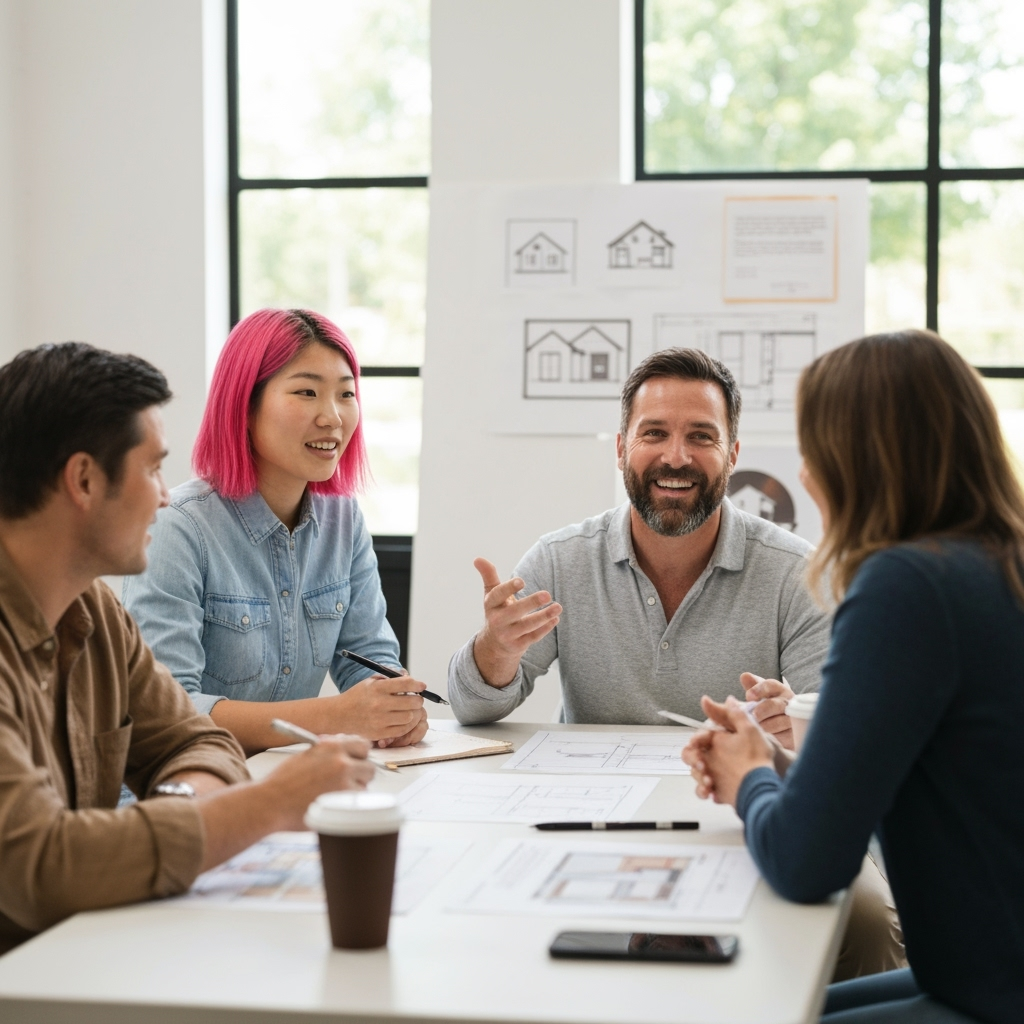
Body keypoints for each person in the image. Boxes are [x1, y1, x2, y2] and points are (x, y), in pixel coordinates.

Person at [448, 346, 904, 981]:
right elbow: (471, 708)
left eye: (701, 437)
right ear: (621, 448)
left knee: (870, 920)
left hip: (751, 813)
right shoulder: (561, 559)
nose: (676, 456)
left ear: (733, 454)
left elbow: (839, 740)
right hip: (597, 815)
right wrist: (495, 650)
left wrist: (792, 723)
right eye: (654, 433)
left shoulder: (795, 572)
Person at [684, 330, 1024, 1024]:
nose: (806, 474)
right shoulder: (996, 564)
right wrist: (774, 763)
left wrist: (750, 781)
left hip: (990, 989)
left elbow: (808, 865)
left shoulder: (907, 587)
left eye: (814, 448)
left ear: (857, 459)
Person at [0, 342, 376, 955]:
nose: (164, 496)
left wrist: (181, 801)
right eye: (152, 470)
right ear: (84, 480)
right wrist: (268, 803)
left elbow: (194, 740)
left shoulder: (96, 614)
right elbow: (40, 865)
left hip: (80, 948)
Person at [124, 309, 428, 756]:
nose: (332, 417)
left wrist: (394, 706)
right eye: (307, 392)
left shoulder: (344, 519)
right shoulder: (179, 526)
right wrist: (335, 717)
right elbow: (167, 712)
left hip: (285, 774)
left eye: (346, 394)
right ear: (244, 406)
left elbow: (368, 656)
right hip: (184, 781)